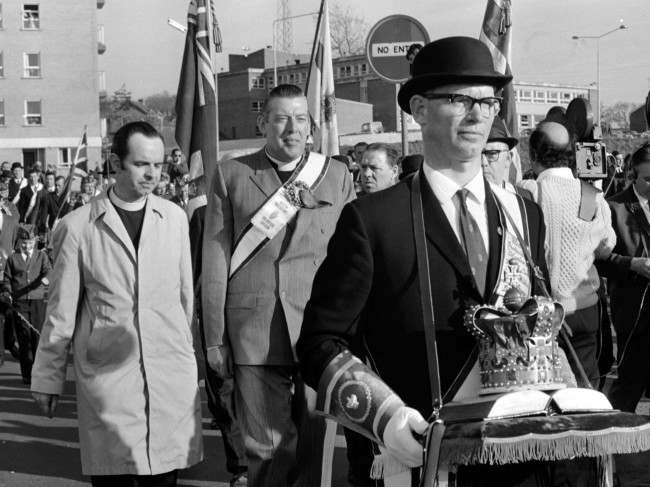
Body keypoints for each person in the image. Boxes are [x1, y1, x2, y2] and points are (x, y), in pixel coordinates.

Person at [296, 36, 551, 486]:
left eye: (488, 102)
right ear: (419, 109)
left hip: (515, 462)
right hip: (417, 458)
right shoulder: (373, 219)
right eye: (458, 99)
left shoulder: (524, 215)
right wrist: (386, 418)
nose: (478, 115)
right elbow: (320, 343)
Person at [30, 121, 203, 486]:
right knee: (114, 479)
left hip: (168, 374)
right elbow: (60, 311)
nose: (153, 173)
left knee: (164, 477)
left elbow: (186, 298)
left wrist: (189, 359)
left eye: (158, 165)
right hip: (110, 380)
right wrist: (48, 377)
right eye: (142, 164)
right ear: (115, 162)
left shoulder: (174, 219)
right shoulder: (77, 227)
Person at [202, 84, 355, 486]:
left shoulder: (335, 175)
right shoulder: (233, 173)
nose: (292, 128)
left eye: (300, 119)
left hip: (320, 329)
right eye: (281, 118)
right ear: (263, 123)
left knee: (315, 443)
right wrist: (215, 339)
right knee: (266, 447)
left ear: (310, 126)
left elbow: (353, 260)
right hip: (254, 326)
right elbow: (215, 261)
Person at [519, 121, 615, 387]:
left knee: (547, 389)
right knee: (586, 387)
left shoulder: (529, 191)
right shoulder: (588, 195)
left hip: (542, 312)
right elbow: (607, 246)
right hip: (585, 309)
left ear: (533, 155)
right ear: (571, 156)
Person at [597, 142, 650, 412]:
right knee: (629, 385)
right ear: (632, 175)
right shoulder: (613, 207)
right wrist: (632, 264)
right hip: (633, 312)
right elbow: (598, 260)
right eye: (648, 179)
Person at [2, 224, 51, 384]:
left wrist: (44, 281)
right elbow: (7, 279)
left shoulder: (41, 256)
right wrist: (7, 292)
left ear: (35, 241)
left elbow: (49, 271)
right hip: (19, 302)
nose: (26, 245)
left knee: (37, 338)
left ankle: (38, 372)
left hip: (37, 301)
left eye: (29, 242)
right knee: (24, 338)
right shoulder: (12, 258)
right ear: (19, 242)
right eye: (23, 242)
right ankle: (26, 374)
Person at [481, 117, 530, 199]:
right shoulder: (458, 200)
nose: (483, 162)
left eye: (492, 154)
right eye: (477, 155)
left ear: (508, 159)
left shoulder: (523, 199)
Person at [0, 183, 20, 366]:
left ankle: (9, 341)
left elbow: (16, 223)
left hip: (6, 265)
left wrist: (5, 209)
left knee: (9, 309)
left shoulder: (10, 208)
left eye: (3, 191)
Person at [17, 167, 48, 234]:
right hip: (28, 219)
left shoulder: (43, 190)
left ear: (38, 177)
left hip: (40, 220)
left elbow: (45, 207)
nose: (33, 179)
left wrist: (43, 220)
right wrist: (21, 220)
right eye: (31, 177)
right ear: (28, 178)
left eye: (34, 176)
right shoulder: (24, 190)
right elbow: (21, 207)